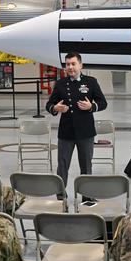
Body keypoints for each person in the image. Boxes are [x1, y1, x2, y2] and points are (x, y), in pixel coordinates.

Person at [45, 52, 107, 186]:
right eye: (67, 64)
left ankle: (86, 195)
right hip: (66, 132)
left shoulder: (90, 81)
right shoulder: (61, 83)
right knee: (62, 166)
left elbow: (103, 103)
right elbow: (49, 105)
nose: (70, 67)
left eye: (73, 64)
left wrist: (91, 106)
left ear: (81, 65)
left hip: (85, 132)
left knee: (86, 166)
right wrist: (56, 108)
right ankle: (61, 196)